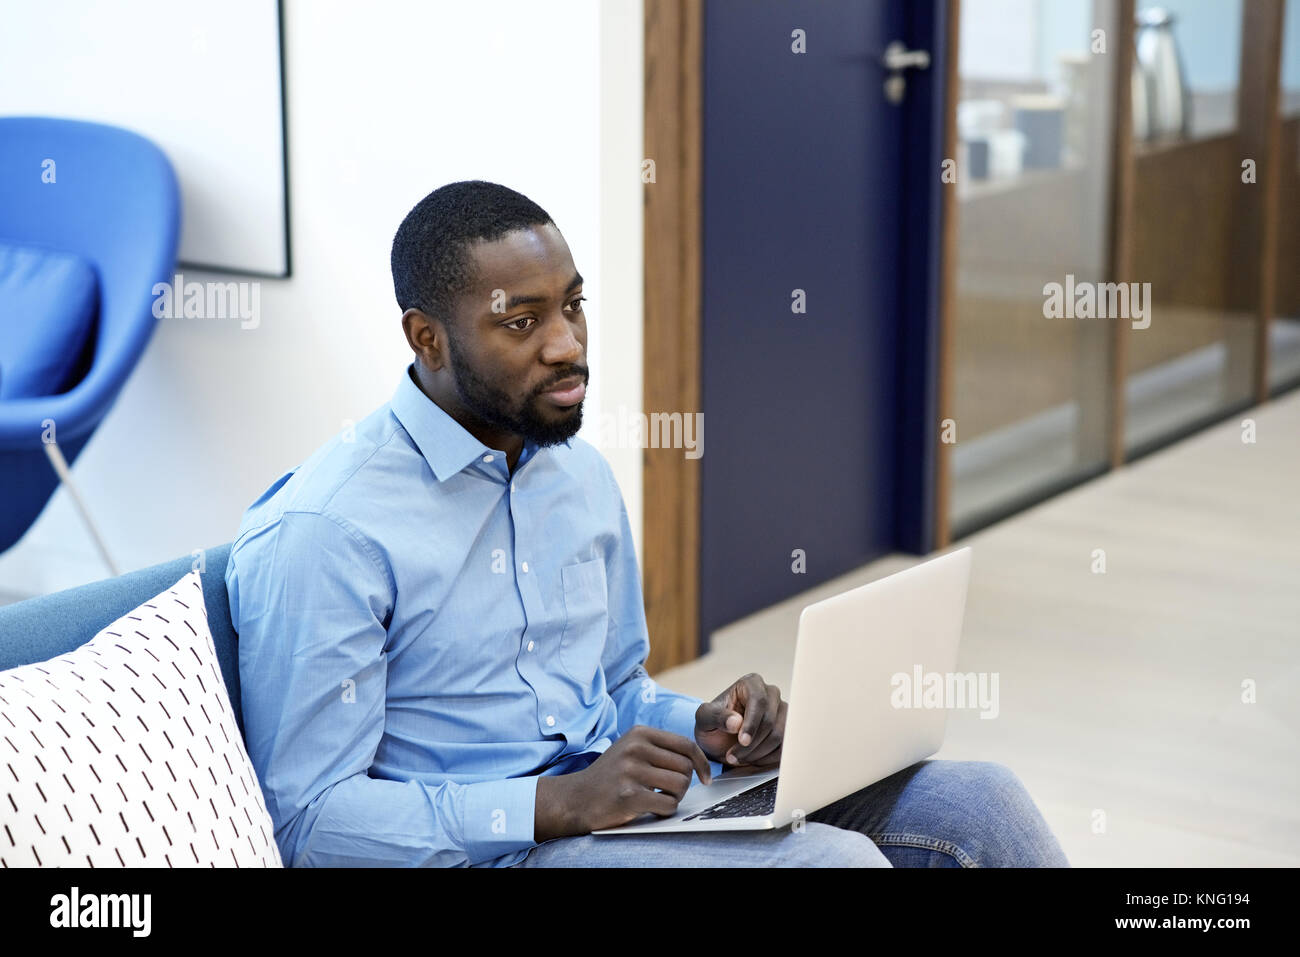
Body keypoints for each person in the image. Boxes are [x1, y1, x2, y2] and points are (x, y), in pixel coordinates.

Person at [226, 180, 1069, 868]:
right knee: (832, 865)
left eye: (574, 306)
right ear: (428, 338)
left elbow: (617, 691)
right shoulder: (325, 530)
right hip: (495, 852)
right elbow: (310, 820)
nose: (567, 345)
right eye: (522, 322)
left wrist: (704, 727)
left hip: (623, 808)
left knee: (977, 804)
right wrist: (554, 803)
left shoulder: (576, 475)